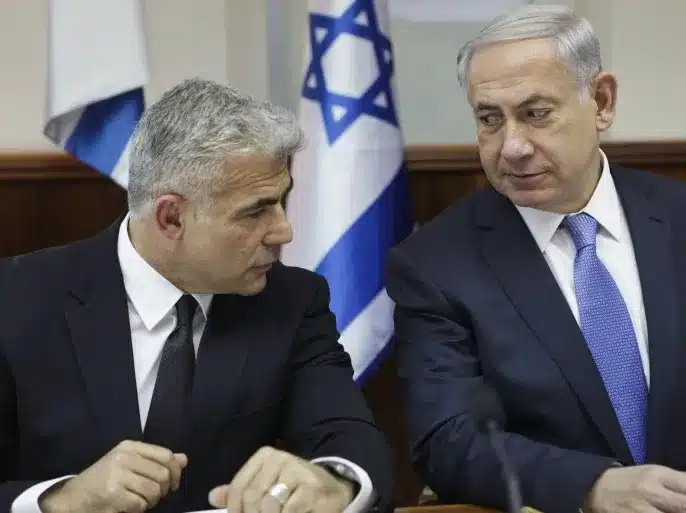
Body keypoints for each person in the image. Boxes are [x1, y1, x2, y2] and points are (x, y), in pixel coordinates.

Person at [0, 78, 394, 513]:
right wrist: (57, 500)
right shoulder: (17, 300)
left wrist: (333, 483)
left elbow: (350, 438)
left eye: (282, 201)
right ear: (171, 218)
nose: (284, 231)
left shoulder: (291, 301)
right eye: (256, 211)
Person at [385, 4, 686, 513]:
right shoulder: (435, 264)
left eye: (535, 113)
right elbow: (448, 441)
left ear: (602, 101)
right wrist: (591, 486)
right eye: (489, 119)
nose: (512, 147)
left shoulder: (678, 216)